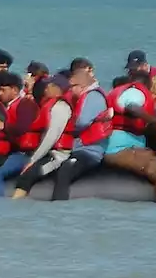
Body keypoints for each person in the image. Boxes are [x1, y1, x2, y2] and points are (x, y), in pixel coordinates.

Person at [102, 68, 156, 203]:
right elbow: (133, 108)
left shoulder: (120, 92)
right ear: (148, 84)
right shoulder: (136, 92)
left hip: (110, 146)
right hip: (122, 149)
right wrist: (154, 122)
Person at [47, 58, 113, 201]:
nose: (71, 90)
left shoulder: (94, 96)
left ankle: (59, 206)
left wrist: (61, 124)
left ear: (81, 85)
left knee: (65, 170)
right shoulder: (80, 98)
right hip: (76, 148)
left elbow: (82, 123)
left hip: (90, 151)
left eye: (73, 86)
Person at [12, 74, 76, 198]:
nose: (45, 88)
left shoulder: (61, 107)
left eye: (49, 85)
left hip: (58, 155)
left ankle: (14, 204)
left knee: (27, 175)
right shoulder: (49, 105)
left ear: (57, 88)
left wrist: (33, 160)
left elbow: (51, 137)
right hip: (47, 153)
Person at [0, 73, 37, 196]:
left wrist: (2, 126)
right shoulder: (8, 107)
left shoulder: (25, 104)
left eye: (3, 90)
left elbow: (23, 128)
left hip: (26, 153)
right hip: (12, 151)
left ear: (15, 90)